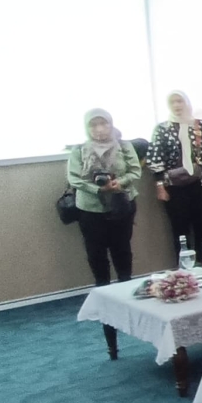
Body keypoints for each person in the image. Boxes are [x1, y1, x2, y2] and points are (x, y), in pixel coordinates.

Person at [144, 91, 202, 264]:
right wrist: (160, 186)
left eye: (180, 101)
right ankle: (185, 270)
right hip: (174, 186)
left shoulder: (200, 125)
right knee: (180, 231)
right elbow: (156, 160)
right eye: (172, 102)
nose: (177, 105)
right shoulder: (162, 129)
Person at [67, 109, 141, 285]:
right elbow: (74, 179)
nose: (99, 129)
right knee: (96, 252)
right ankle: (102, 288)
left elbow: (135, 171)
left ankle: (125, 284)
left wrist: (119, 183)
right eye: (93, 125)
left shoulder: (124, 146)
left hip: (121, 204)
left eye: (103, 124)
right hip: (90, 208)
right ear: (87, 128)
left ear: (111, 124)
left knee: (122, 248)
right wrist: (97, 189)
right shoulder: (79, 150)